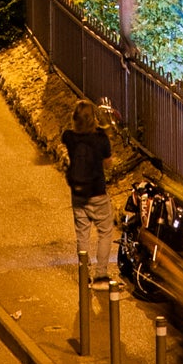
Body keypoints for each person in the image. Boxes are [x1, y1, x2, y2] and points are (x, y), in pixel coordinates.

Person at [62, 98, 116, 284]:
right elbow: (108, 165)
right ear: (93, 118)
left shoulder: (69, 137)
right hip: (98, 193)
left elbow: (69, 136)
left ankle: (84, 274)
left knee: (82, 236)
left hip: (78, 194)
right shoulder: (101, 139)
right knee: (105, 232)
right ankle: (101, 274)